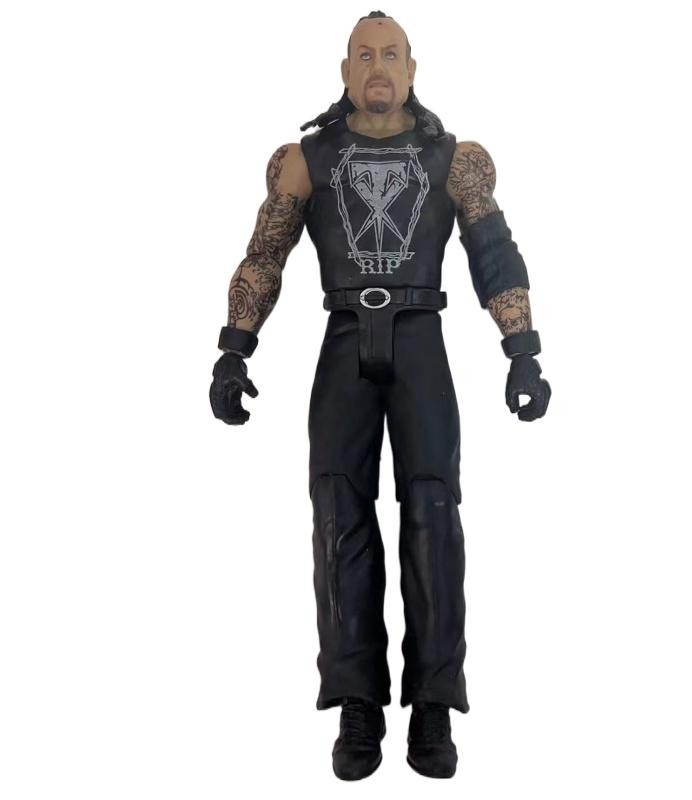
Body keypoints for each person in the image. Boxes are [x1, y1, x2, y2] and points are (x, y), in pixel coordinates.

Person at [209, 10, 551, 781]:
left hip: (422, 341)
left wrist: (523, 351)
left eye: (390, 54)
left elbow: (494, 253)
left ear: (412, 67)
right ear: (344, 69)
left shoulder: (455, 159)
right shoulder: (304, 160)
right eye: (364, 55)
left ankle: (433, 702)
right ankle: (357, 701)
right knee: (339, 520)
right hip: (342, 344)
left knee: (434, 520)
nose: (377, 67)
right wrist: (233, 348)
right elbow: (264, 254)